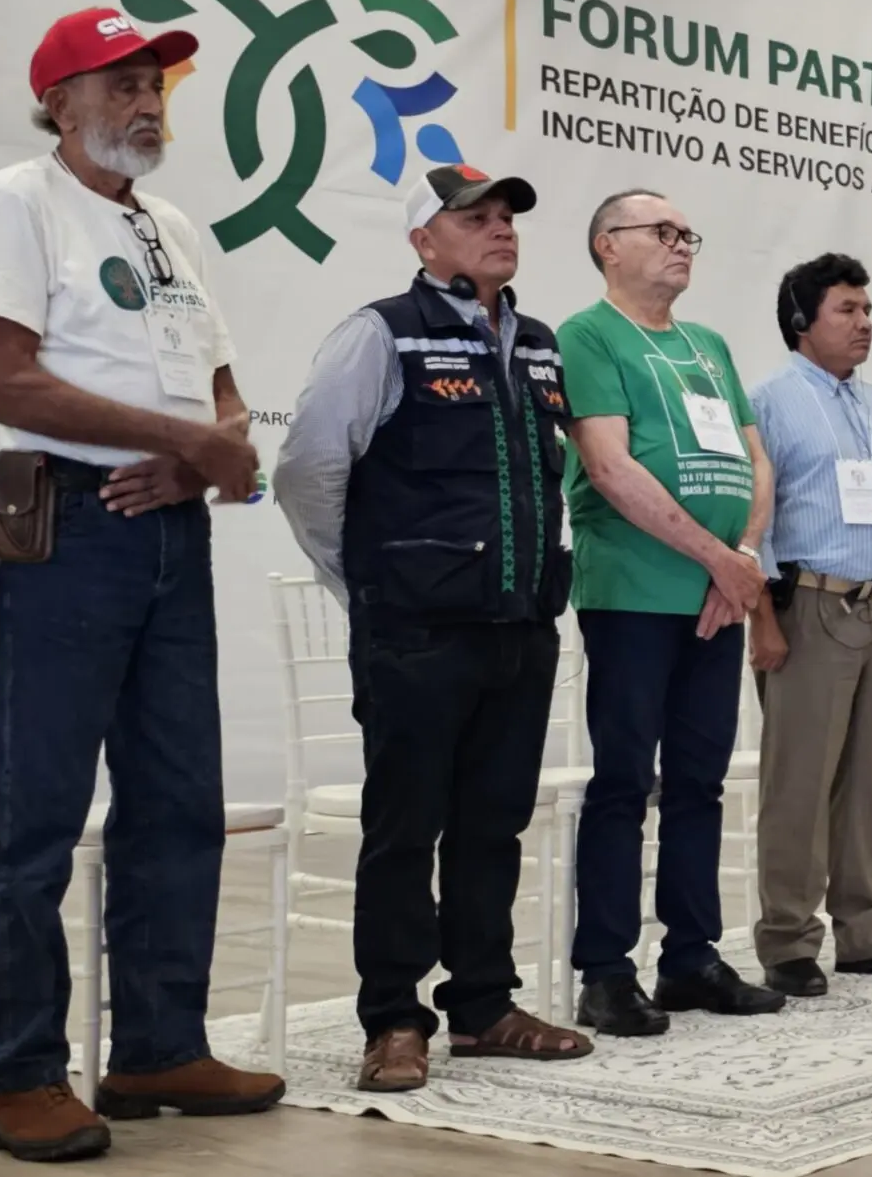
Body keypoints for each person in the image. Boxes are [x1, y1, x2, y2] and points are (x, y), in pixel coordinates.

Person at [0, 9, 280, 1160]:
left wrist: (208, 450)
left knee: (178, 799)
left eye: (156, 85)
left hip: (170, 531)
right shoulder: (19, 198)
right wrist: (181, 442)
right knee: (41, 812)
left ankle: (156, 1047)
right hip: (73, 527)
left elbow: (223, 389)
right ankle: (22, 1073)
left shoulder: (170, 223)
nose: (148, 104)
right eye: (123, 83)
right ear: (61, 103)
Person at [276, 163, 590, 1091]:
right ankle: (392, 1018)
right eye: (474, 218)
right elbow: (306, 469)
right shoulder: (381, 333)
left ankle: (485, 1006)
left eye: (506, 217)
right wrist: (367, 583)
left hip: (522, 628)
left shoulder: (537, 344)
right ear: (423, 240)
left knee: (494, 824)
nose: (500, 229)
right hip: (415, 633)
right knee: (405, 829)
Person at [562, 190, 785, 1035]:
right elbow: (611, 469)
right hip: (634, 591)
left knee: (700, 780)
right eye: (661, 231)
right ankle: (606, 971)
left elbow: (755, 461)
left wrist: (744, 557)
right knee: (625, 780)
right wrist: (717, 559)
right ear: (607, 245)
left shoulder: (709, 344)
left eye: (688, 232)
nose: (681, 243)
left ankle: (691, 956)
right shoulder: (588, 335)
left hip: (718, 597)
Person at [743, 253, 872, 1000]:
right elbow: (755, 524)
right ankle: (789, 940)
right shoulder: (768, 402)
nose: (864, 323)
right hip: (809, 605)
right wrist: (763, 621)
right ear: (802, 320)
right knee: (800, 781)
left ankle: (867, 933)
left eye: (867, 310)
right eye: (846, 310)